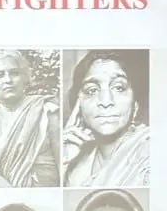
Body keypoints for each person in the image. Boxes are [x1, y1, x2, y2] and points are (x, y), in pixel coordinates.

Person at [61, 50, 151, 187]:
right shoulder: (77, 163)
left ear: (135, 104)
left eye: (119, 88)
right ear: (78, 105)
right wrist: (64, 159)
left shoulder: (152, 153)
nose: (106, 101)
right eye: (92, 90)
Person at [0, 49, 61, 188]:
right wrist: (16, 196)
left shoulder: (46, 111)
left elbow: (62, 163)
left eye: (14, 73)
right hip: (9, 194)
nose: (8, 80)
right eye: (0, 75)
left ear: (25, 78)